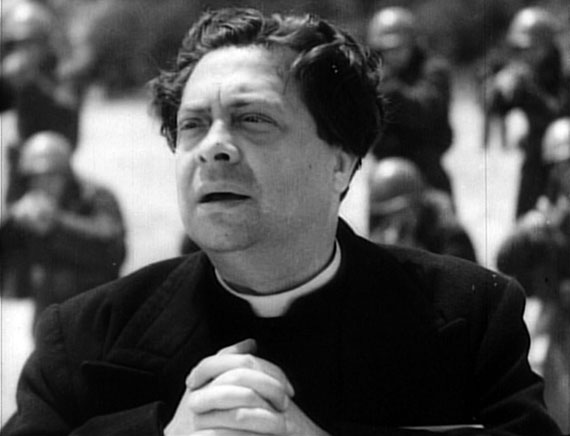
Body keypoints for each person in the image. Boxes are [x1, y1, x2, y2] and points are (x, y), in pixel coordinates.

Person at [2, 8, 563, 435]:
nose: (213, 147)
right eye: (193, 125)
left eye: (253, 119)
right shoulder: (80, 339)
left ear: (340, 162)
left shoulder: (472, 320)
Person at [0, 131, 127, 325]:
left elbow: (112, 250)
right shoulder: (29, 211)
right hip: (49, 315)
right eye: (36, 179)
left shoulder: (97, 197)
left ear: (66, 175)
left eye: (51, 177)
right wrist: (13, 221)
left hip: (95, 312)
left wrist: (55, 226)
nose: (43, 185)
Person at [484, 7, 570, 218]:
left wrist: (528, 88)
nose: (527, 54)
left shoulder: (565, 73)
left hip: (564, 162)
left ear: (547, 45)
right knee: (525, 222)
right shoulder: (524, 74)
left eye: (533, 48)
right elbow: (496, 108)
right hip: (535, 161)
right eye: (521, 49)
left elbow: (558, 116)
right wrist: (498, 89)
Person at [1, 0, 87, 204]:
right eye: (18, 44)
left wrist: (32, 82)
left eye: (31, 43)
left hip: (57, 166)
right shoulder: (11, 76)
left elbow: (67, 109)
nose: (24, 50)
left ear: (45, 44)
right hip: (22, 168)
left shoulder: (65, 73)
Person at [366, 6, 454, 196]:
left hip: (427, 171)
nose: (394, 55)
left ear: (413, 44)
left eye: (400, 47)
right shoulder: (374, 76)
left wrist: (387, 86)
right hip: (386, 172)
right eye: (387, 49)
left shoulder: (433, 70)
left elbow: (424, 110)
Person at [368, 158, 477, 262]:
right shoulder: (382, 230)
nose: (391, 221)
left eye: (398, 212)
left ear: (414, 205)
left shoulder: (449, 235)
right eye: (385, 216)